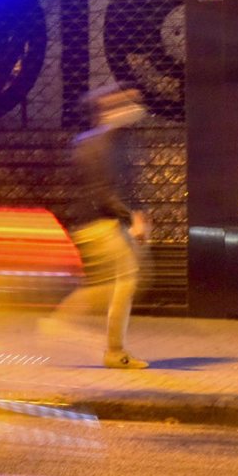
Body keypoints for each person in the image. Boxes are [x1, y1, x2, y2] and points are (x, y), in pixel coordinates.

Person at [42, 84, 150, 369]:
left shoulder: (113, 141)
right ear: (109, 108)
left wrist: (137, 215)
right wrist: (132, 218)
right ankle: (106, 346)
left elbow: (126, 186)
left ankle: (108, 347)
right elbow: (103, 191)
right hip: (99, 223)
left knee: (120, 282)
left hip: (106, 221)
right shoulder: (96, 144)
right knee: (123, 282)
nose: (134, 109)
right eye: (128, 102)